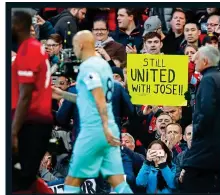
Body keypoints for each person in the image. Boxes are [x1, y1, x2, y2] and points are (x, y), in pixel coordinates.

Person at [52, 30, 133, 193]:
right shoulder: (116, 88)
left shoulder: (76, 89)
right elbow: (131, 112)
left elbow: (61, 119)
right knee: (109, 184)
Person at [11, 11, 53, 193]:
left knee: (19, 180)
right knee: (23, 179)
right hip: (32, 120)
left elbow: (25, 95)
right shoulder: (32, 48)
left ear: (19, 25)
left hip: (30, 122)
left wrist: (13, 131)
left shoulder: (29, 50)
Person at [182, 45, 220, 193]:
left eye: (196, 58)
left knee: (190, 183)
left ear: (205, 61)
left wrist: (197, 131)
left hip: (205, 149)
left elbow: (206, 112)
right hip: (218, 149)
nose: (193, 60)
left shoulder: (208, 80)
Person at [174, 124, 192, 191]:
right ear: (184, 137)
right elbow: (175, 180)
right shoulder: (180, 156)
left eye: (195, 133)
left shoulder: (208, 154)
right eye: (189, 134)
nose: (192, 136)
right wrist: (180, 178)